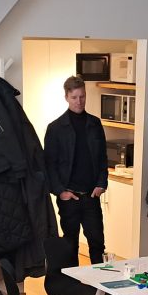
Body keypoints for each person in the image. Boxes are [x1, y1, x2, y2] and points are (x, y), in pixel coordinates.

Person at [44, 75, 108, 263]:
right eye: (74, 97)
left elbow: (103, 158)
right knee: (70, 245)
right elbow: (49, 165)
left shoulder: (95, 124)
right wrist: (60, 192)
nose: (79, 102)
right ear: (66, 97)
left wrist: (102, 183)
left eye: (82, 97)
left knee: (97, 243)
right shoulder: (55, 128)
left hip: (91, 195)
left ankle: (100, 288)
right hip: (69, 197)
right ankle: (74, 288)